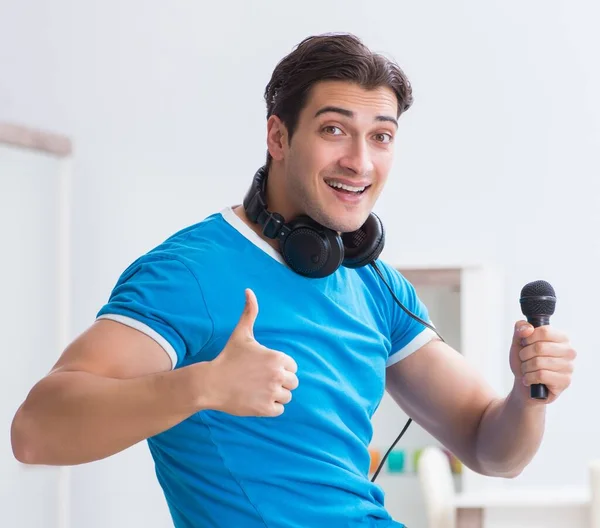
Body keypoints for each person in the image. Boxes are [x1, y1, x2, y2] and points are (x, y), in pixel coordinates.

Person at [11, 33, 576, 528]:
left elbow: (491, 449)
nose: (360, 161)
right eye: (335, 129)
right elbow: (35, 431)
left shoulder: (373, 283)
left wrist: (529, 396)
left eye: (381, 136)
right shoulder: (190, 272)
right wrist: (202, 386)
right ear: (277, 138)